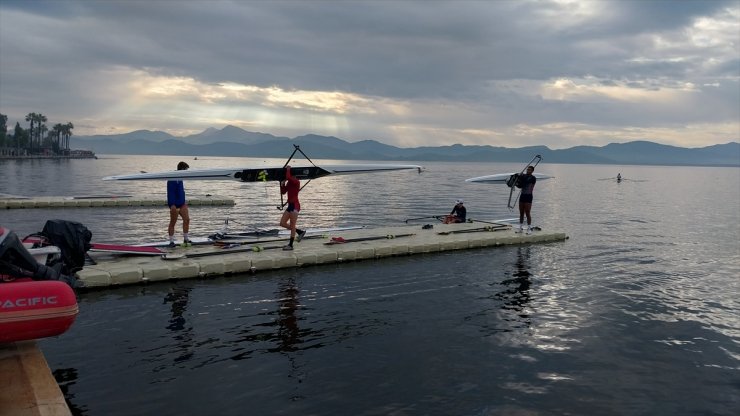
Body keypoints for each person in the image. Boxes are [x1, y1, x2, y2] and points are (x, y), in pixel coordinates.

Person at [279, 165, 306, 250]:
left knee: (292, 225)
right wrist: (282, 185)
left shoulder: (296, 181)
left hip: (295, 205)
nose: (288, 177)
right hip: (290, 205)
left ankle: (290, 245)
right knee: (282, 223)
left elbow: (288, 177)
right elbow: (283, 192)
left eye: (290, 175)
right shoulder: (289, 182)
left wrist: (288, 169)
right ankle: (300, 232)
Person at [167, 161, 191, 247]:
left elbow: (181, 190)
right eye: (186, 170)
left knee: (187, 219)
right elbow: (170, 192)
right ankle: (171, 241)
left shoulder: (181, 178)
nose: (187, 172)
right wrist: (172, 204)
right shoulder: (172, 177)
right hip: (174, 204)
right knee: (173, 222)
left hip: (182, 203)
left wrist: (184, 200)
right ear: (182, 169)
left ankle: (186, 238)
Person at [516, 165, 537, 235]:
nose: (528, 170)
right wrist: (518, 177)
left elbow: (526, 182)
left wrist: (521, 177)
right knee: (521, 212)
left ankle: (529, 228)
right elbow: (519, 185)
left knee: (527, 212)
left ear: (532, 171)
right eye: (527, 169)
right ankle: (520, 228)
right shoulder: (523, 176)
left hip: (528, 196)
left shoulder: (533, 178)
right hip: (522, 196)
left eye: (530, 170)